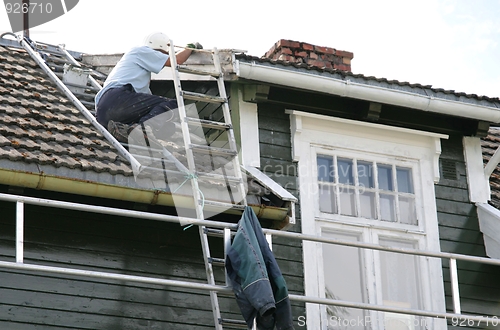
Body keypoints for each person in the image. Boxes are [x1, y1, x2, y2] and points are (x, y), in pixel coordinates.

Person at [94, 32, 202, 143]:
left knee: (167, 128)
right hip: (117, 99)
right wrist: (190, 47)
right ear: (158, 49)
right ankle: (143, 129)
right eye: (163, 54)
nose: (162, 58)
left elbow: (151, 107)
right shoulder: (140, 51)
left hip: (104, 114)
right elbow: (176, 60)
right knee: (175, 105)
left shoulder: (138, 77)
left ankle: (133, 131)